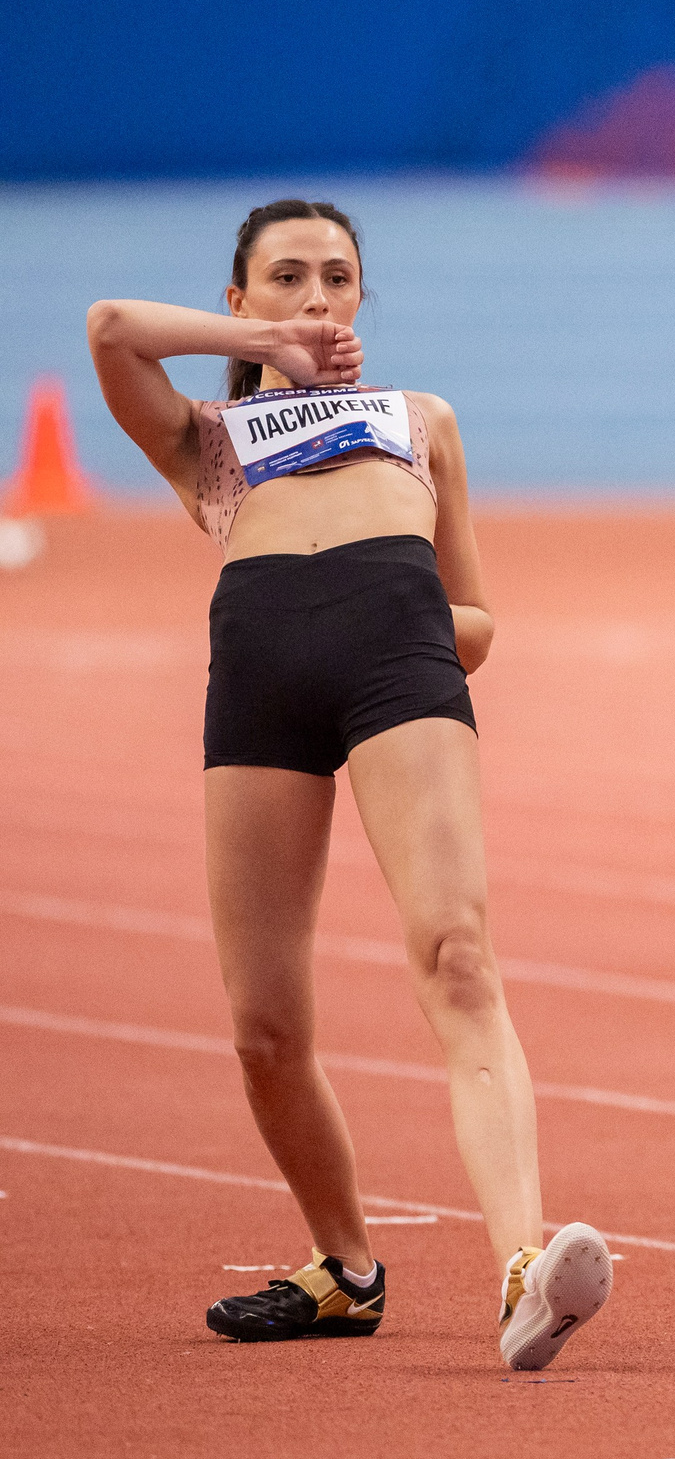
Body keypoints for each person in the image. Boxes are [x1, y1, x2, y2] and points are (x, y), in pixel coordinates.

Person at [85, 198, 611, 1368]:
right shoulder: (205, 434)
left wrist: (418, 614)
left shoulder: (421, 421)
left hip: (396, 667)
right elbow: (111, 326)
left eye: (336, 277)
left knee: (457, 956)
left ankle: (525, 1266)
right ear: (238, 303)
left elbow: (479, 619)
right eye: (286, 279)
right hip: (262, 680)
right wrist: (271, 360)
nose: (317, 297)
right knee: (265, 1027)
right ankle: (346, 1269)